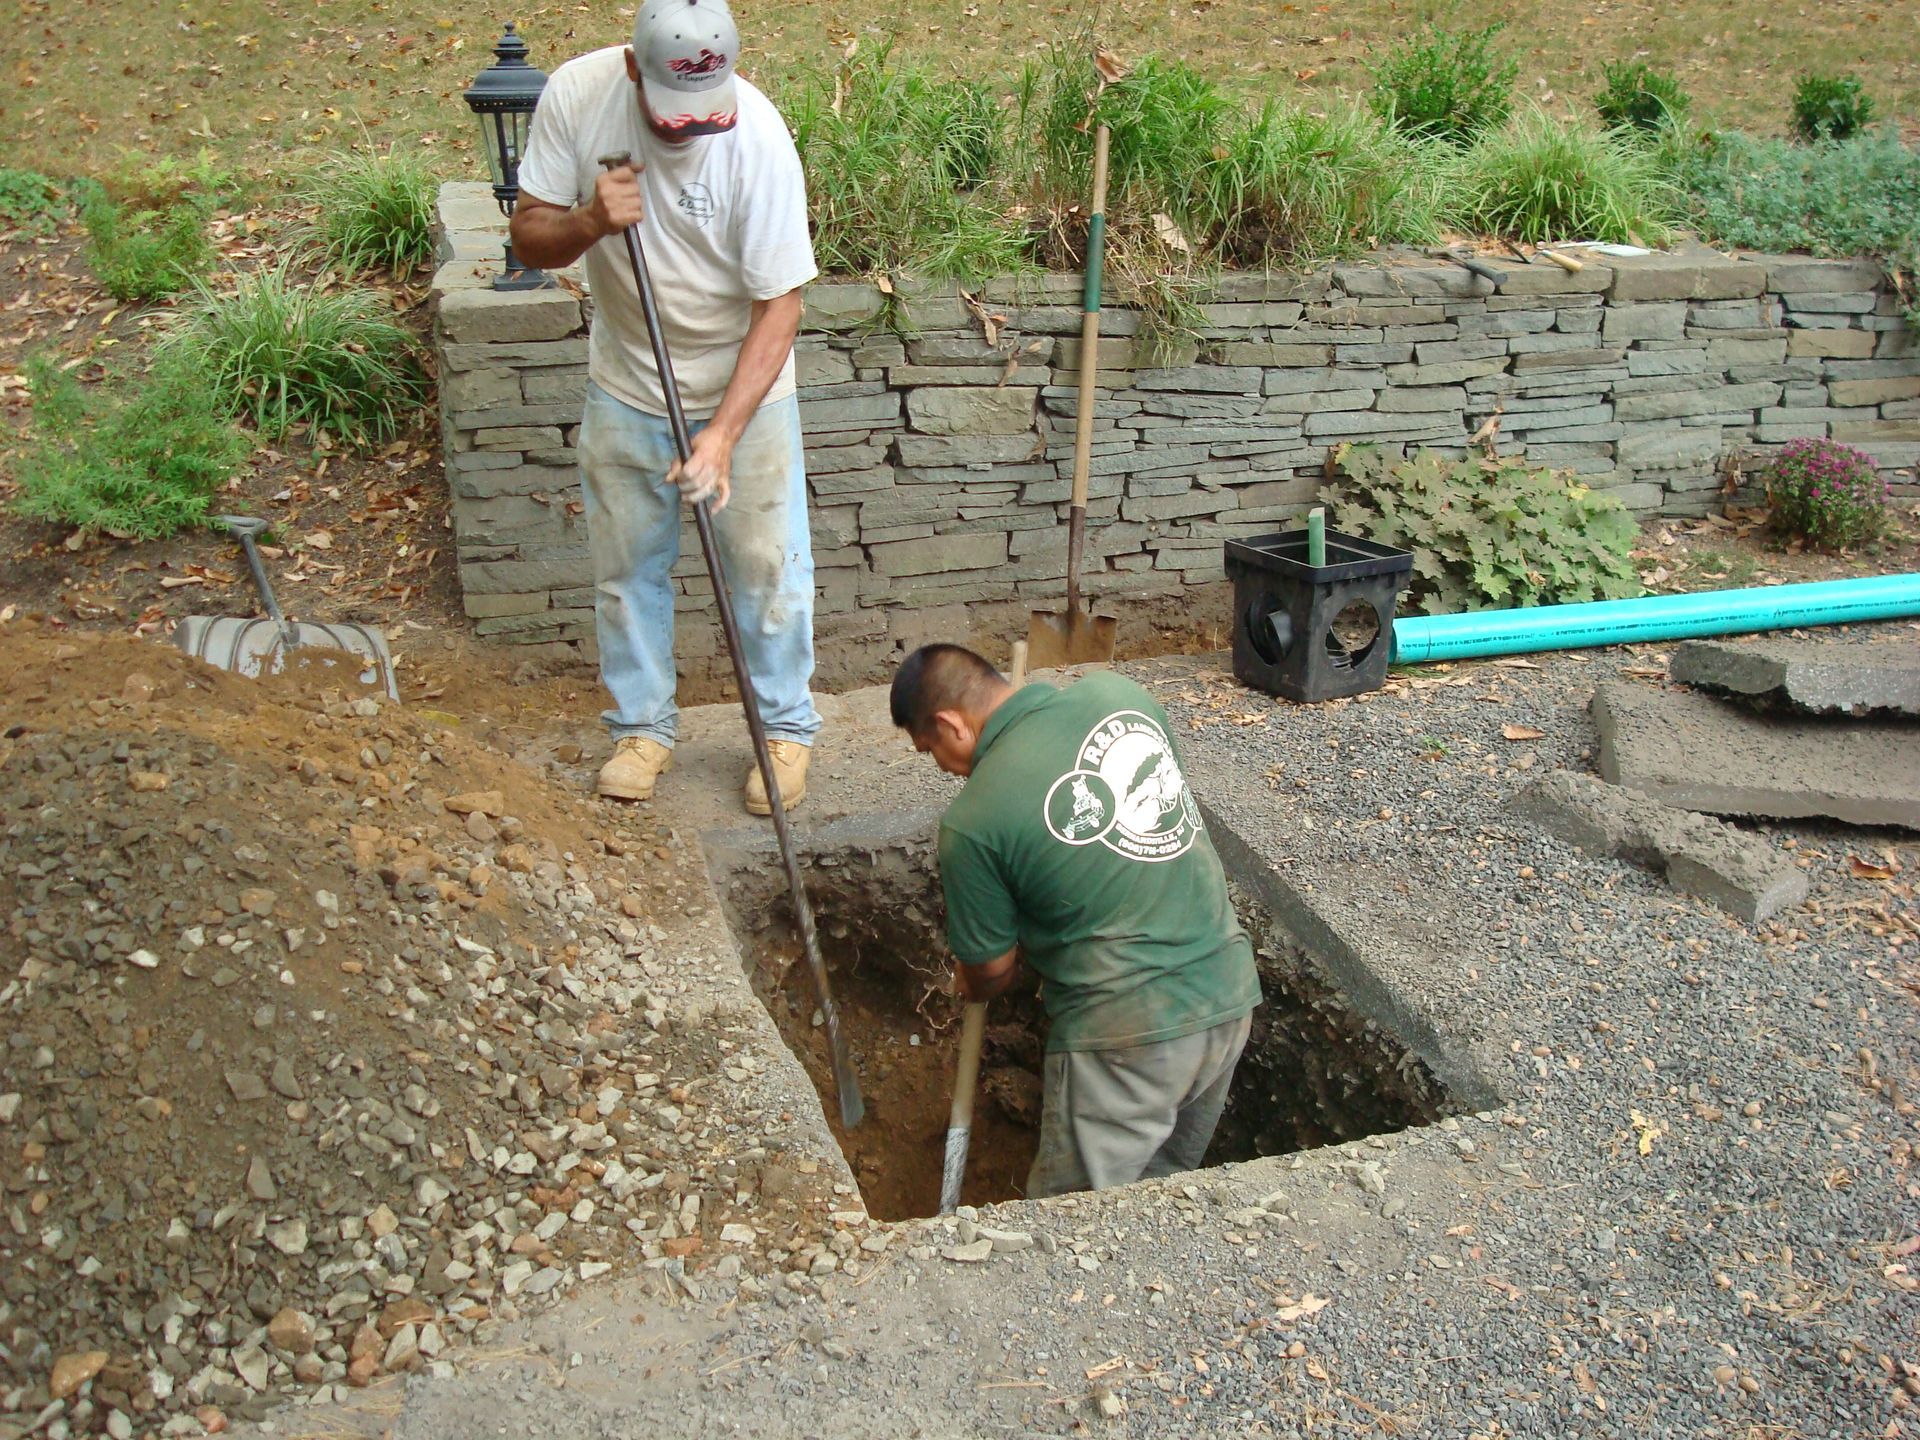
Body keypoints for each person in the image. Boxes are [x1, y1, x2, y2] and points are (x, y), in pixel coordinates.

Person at [509, 0, 821, 814]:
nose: (687, 131)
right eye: (671, 116)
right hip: (628, 379)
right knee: (627, 573)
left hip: (741, 388)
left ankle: (783, 730)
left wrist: (720, 435)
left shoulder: (755, 137)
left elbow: (780, 307)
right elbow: (528, 236)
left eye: (703, 113)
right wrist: (586, 220)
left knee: (766, 569)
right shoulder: (580, 95)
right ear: (631, 70)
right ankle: (642, 730)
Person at [890, 645, 1262, 1197]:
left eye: (930, 750)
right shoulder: (1123, 698)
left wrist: (971, 979)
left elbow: (993, 970)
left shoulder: (972, 823)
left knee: (1070, 1227)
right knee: (1160, 1201)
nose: (941, 767)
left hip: (1124, 1043)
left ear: (950, 724)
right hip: (1228, 997)